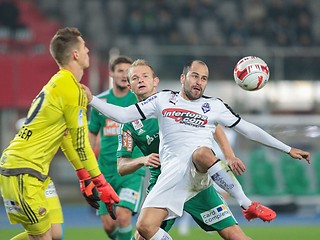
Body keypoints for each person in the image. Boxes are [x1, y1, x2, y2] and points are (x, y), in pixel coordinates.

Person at [84, 59, 310, 240]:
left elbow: (245, 128)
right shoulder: (161, 103)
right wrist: (92, 99)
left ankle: (246, 203)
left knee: (201, 155)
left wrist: (286, 148)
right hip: (168, 179)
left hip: (198, 175)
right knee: (144, 229)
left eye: (204, 78)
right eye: (195, 76)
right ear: (183, 79)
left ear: (156, 81)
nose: (199, 82)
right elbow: (122, 117)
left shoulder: (213, 105)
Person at [0, 27, 119, 240]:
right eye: (84, 47)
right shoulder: (69, 89)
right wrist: (101, 183)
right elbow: (82, 145)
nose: (88, 50)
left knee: (55, 234)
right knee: (43, 238)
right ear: (75, 54)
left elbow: (66, 138)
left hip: (37, 174)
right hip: (22, 171)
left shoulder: (61, 84)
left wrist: (83, 176)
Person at [116, 59, 256, 240]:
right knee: (143, 234)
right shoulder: (129, 124)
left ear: (155, 81)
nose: (141, 80)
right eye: (135, 78)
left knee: (235, 236)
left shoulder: (175, 102)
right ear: (129, 85)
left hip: (194, 179)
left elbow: (214, 126)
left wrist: (229, 155)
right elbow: (122, 166)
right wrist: (141, 160)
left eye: (145, 76)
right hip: (164, 183)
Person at [88, 56, 145, 240]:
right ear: (111, 73)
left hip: (131, 170)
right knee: (109, 224)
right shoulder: (100, 102)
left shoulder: (138, 100)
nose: (123, 75)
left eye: (127, 72)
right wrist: (87, 165)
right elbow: (92, 133)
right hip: (106, 171)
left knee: (122, 216)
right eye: (120, 70)